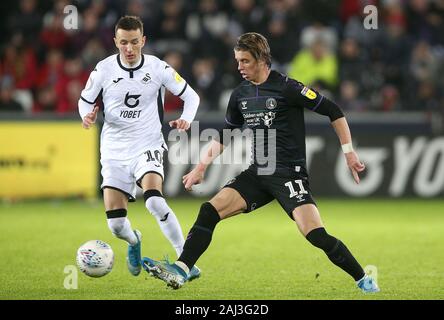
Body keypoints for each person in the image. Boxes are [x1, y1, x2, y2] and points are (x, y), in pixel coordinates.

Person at [143, 32, 379, 293]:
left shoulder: (288, 87)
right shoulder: (240, 94)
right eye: (237, 61)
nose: (239, 67)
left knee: (315, 235)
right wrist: (201, 167)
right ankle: (183, 269)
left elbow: (333, 111)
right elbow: (226, 134)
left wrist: (349, 152)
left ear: (261, 59)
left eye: (245, 61)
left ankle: (362, 278)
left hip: (289, 175)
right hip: (258, 172)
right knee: (209, 210)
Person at [78, 16, 201, 279]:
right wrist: (86, 115)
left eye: (135, 42)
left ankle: (186, 261)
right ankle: (134, 240)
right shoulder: (103, 70)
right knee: (116, 225)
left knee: (154, 201)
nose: (130, 49)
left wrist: (186, 119)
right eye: (124, 43)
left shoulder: (158, 68)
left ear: (143, 40)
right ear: (115, 42)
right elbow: (84, 100)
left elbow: (191, 96)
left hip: (147, 143)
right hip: (113, 150)